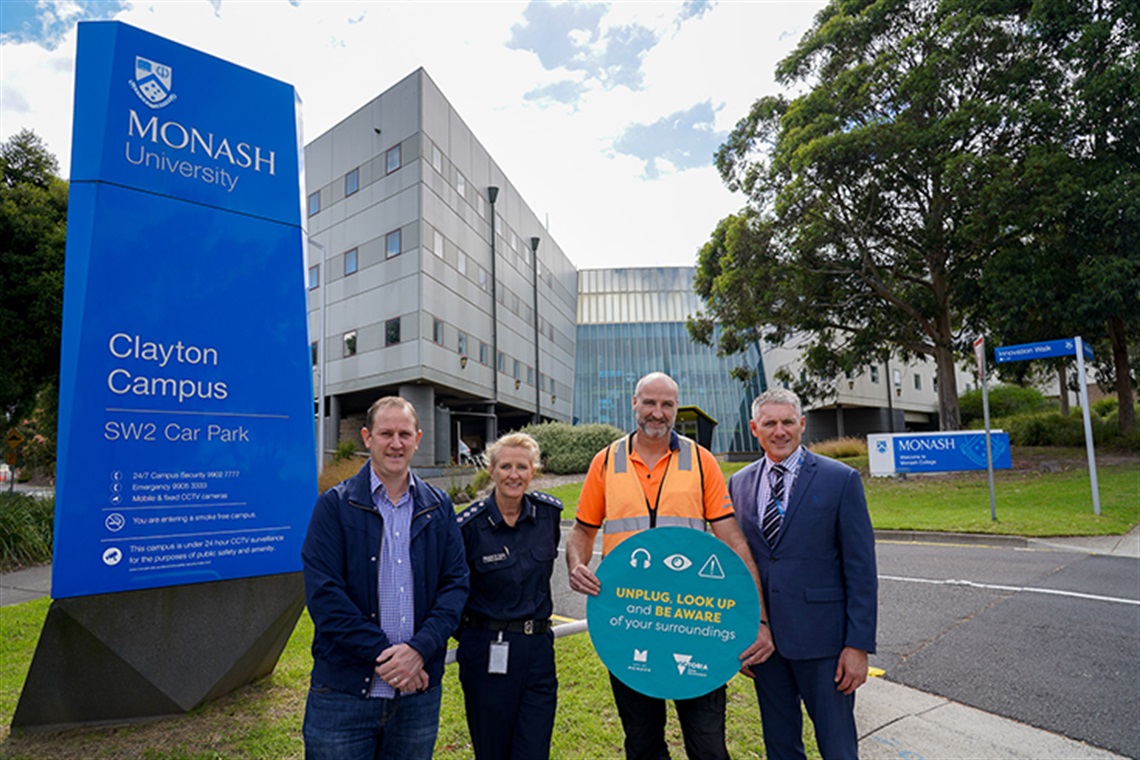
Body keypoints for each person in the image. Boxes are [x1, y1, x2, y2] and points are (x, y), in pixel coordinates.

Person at [566, 371, 774, 760]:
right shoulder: (605, 461)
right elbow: (581, 531)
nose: (657, 413)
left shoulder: (701, 461)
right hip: (630, 620)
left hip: (696, 621)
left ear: (676, 409)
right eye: (650, 403)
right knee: (642, 742)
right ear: (634, 404)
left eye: (667, 405)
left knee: (709, 744)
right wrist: (577, 563)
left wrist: (759, 619)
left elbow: (733, 541)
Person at [301, 396, 469, 759]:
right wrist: (392, 658)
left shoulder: (438, 508)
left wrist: (420, 650)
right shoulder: (334, 506)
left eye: (405, 434)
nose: (396, 443)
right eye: (386, 433)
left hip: (416, 699)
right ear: (367, 437)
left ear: (418, 438)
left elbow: (455, 587)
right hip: (344, 697)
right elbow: (325, 597)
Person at [727, 388, 877, 760]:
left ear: (802, 425)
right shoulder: (739, 483)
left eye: (787, 422)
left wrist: (857, 646)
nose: (779, 431)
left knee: (838, 747)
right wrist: (745, 633)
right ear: (754, 428)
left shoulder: (840, 480)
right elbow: (736, 564)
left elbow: (861, 569)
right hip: (766, 646)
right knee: (780, 747)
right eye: (770, 423)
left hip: (825, 644)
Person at [455, 432, 562, 759]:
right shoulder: (468, 527)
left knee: (533, 750)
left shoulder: (549, 515)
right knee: (493, 751)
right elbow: (452, 589)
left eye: (521, 467)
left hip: (538, 651)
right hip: (487, 650)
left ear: (533, 471)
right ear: (491, 470)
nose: (513, 475)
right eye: (505, 466)